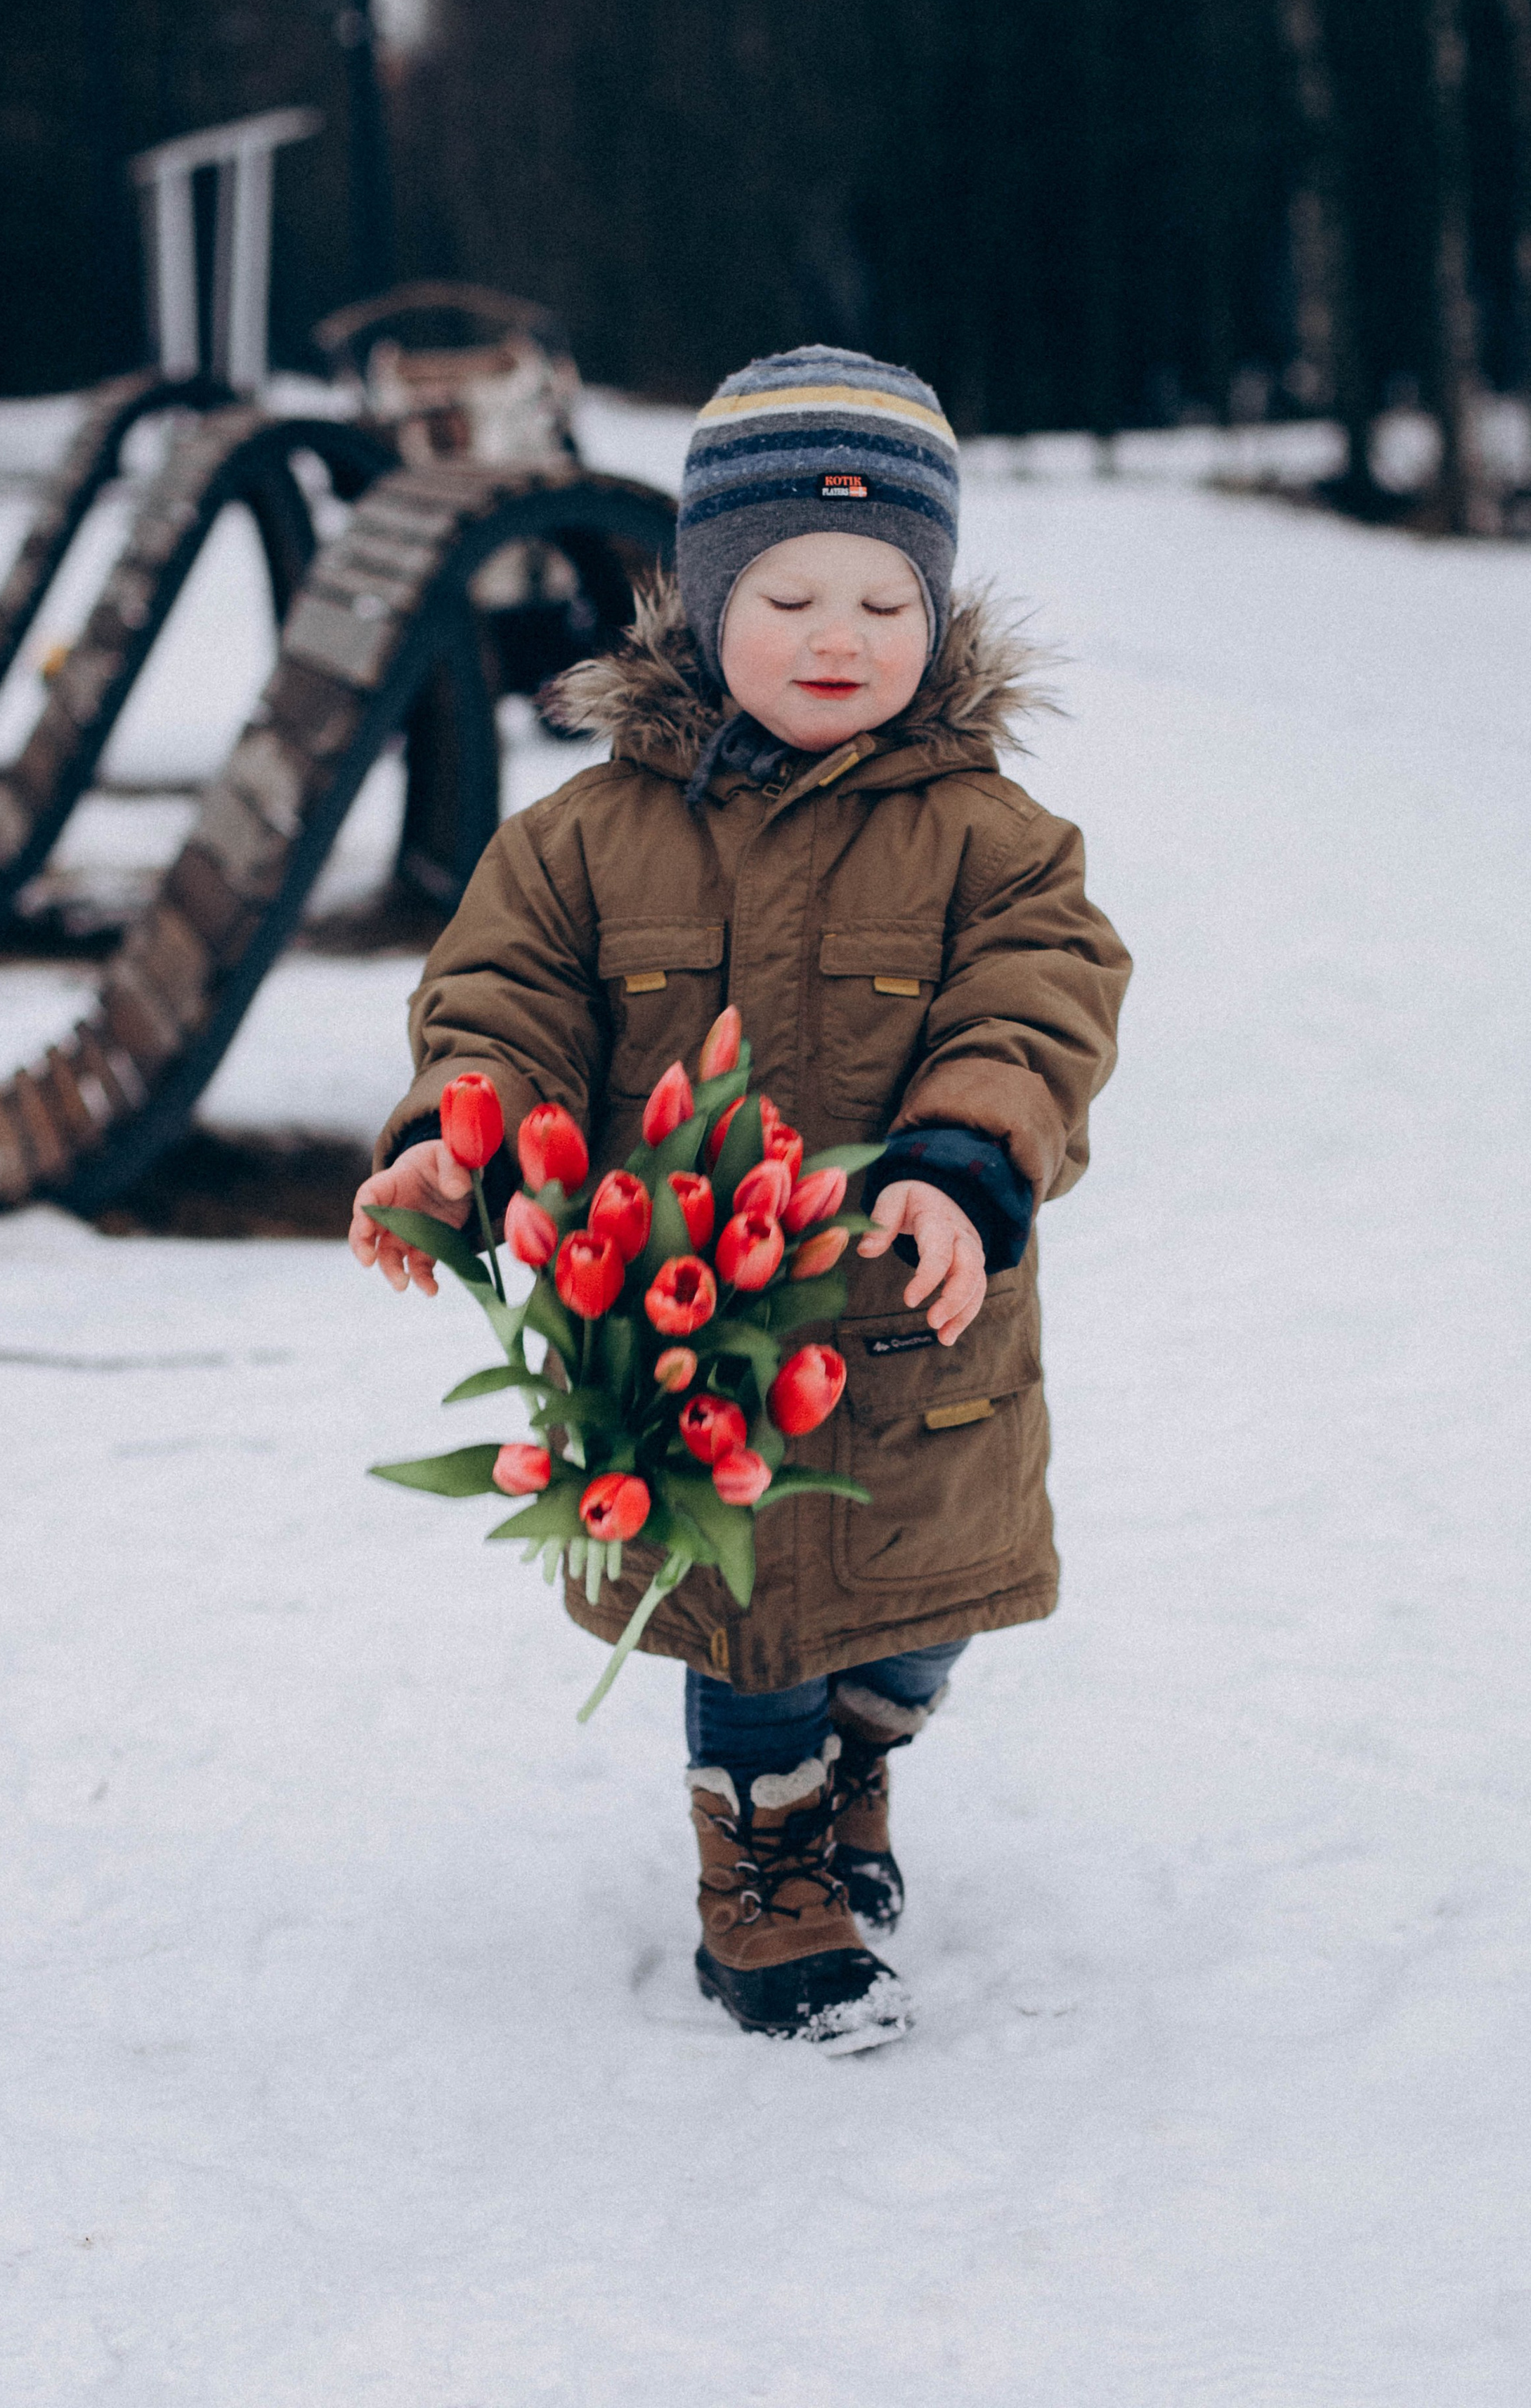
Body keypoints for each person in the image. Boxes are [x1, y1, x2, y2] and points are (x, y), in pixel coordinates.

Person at [350, 345, 1131, 2052]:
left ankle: (864, 1759)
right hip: (691, 1348)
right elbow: (499, 1008)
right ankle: (764, 1862)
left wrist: (964, 1163)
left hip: (917, 1341)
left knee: (913, 1635)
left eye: (880, 598)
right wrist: (461, 1139)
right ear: (702, 605)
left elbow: (1036, 1002)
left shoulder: (995, 841)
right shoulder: (582, 839)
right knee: (746, 1627)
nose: (836, 637)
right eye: (786, 595)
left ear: (936, 615)